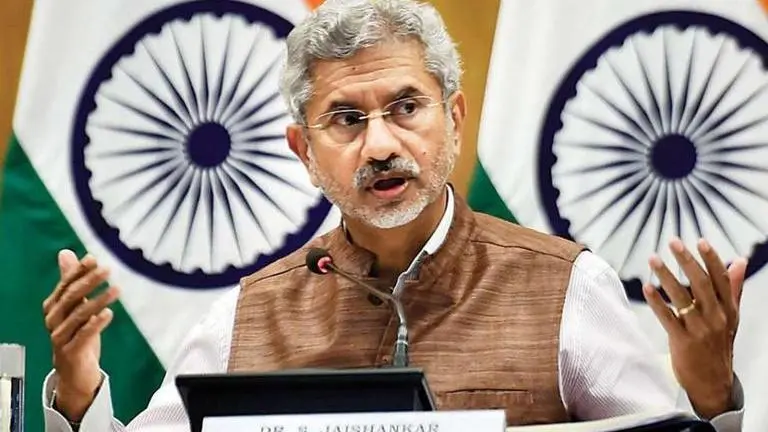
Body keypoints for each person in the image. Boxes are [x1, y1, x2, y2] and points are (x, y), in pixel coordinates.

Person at [41, 0, 748, 430]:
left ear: (455, 119)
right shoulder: (249, 313)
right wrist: (77, 391)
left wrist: (712, 394)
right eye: (346, 119)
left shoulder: (566, 287)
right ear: (303, 150)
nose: (380, 145)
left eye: (406, 107)